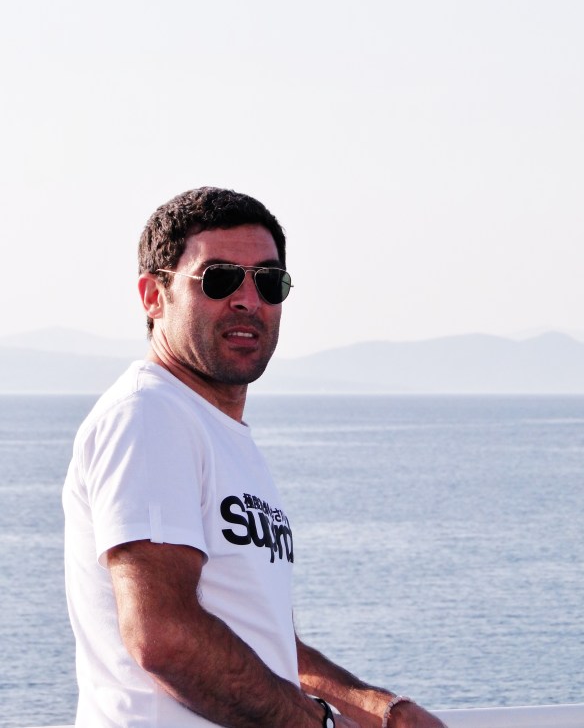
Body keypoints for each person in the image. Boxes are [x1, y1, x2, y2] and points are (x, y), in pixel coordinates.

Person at [63, 187, 446, 728]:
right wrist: (319, 724)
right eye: (218, 278)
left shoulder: (216, 432)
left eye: (268, 281)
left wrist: (379, 709)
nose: (248, 300)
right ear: (153, 296)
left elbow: (267, 646)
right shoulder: (149, 414)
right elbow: (163, 636)